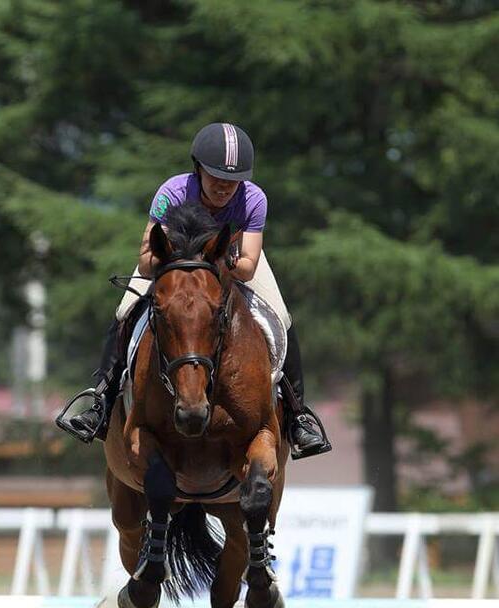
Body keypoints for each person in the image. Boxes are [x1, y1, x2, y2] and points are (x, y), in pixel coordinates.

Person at [58, 123, 330, 460]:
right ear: (198, 168)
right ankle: (100, 401)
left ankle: (298, 415)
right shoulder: (172, 192)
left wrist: (215, 262)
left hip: (229, 265)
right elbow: (146, 262)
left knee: (283, 317)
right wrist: (182, 261)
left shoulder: (254, 198)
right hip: (175, 265)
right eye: (216, 177)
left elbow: (247, 264)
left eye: (232, 181)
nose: (224, 187)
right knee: (124, 311)